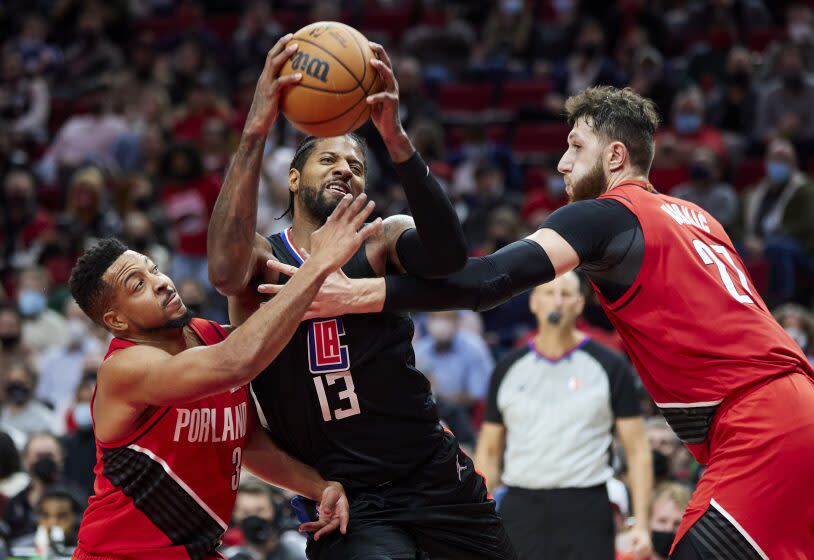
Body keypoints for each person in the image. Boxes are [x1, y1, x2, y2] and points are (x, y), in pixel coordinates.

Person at [272, 86, 814, 559]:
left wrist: (359, 294)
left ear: (616, 155)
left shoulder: (607, 213)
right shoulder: (698, 217)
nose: (561, 163)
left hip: (759, 424)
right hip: (789, 407)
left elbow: (485, 281)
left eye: (576, 147)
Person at [207, 35, 514, 560]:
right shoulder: (262, 257)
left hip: (429, 470)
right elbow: (222, 270)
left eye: (357, 164)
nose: (346, 169)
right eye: (329, 158)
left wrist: (395, 140)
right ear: (295, 178)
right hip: (346, 496)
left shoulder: (381, 240)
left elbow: (448, 258)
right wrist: (256, 129)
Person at [67, 191, 378, 559]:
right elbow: (236, 361)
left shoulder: (209, 336)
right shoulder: (124, 368)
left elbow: (246, 443)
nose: (161, 282)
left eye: (153, 268)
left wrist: (319, 487)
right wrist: (318, 264)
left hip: (197, 550)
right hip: (119, 554)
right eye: (138, 285)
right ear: (117, 321)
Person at [475, 272, 652, 560]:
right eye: (549, 293)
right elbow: (490, 449)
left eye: (566, 294)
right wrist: (481, 514)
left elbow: (637, 450)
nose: (557, 301)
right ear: (534, 303)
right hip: (521, 504)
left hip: (586, 504)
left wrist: (642, 524)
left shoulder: (609, 365)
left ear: (580, 304)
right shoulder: (508, 367)